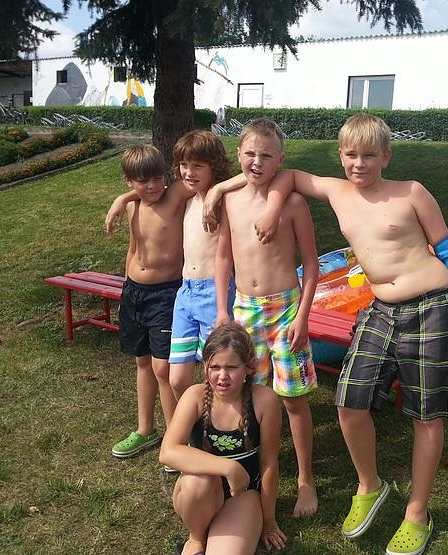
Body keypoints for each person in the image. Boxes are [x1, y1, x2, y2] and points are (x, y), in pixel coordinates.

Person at [206, 114, 448, 555]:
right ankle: (369, 484)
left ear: (386, 157)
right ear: (340, 155)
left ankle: (417, 512)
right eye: (350, 155)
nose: (359, 164)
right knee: (349, 401)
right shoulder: (336, 191)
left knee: (426, 416)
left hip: (432, 304)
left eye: (368, 156)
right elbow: (282, 174)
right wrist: (223, 191)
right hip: (381, 306)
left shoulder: (411, 192)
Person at [214, 117, 320, 518]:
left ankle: (306, 479)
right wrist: (222, 310)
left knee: (292, 399)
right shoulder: (230, 201)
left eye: (266, 155)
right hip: (244, 311)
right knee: (252, 394)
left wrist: (302, 317)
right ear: (238, 154)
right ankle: (254, 465)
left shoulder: (292, 204)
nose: (256, 162)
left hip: (286, 311)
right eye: (250, 153)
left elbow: (312, 265)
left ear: (280, 160)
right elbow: (223, 257)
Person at [107, 131, 240, 415]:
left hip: (203, 291)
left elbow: (248, 179)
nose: (189, 172)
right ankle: (183, 427)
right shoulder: (178, 200)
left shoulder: (209, 199)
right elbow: (148, 195)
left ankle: (215, 425)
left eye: (197, 166)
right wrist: (122, 198)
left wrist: (217, 190)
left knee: (209, 369)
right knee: (170, 375)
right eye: (184, 165)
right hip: (176, 292)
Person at [160, 323, 286, 555]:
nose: (222, 376)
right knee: (198, 482)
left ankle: (226, 529)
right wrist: (229, 468)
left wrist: (269, 521)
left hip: (243, 493)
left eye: (231, 367)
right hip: (199, 494)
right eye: (214, 367)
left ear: (249, 367)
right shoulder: (194, 396)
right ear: (205, 366)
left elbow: (269, 463)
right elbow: (168, 451)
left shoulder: (264, 400)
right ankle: (196, 537)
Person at [109, 144, 189, 460]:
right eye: (143, 181)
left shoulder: (174, 198)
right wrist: (124, 199)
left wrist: (122, 196)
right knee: (142, 362)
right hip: (134, 292)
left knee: (163, 367)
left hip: (166, 294)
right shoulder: (133, 205)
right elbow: (134, 247)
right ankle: (145, 430)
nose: (153, 186)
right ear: (129, 181)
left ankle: (175, 439)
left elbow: (203, 180)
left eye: (157, 178)